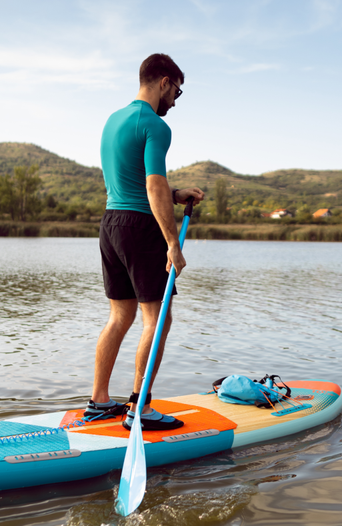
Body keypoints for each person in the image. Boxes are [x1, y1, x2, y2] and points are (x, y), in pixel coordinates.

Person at [86, 53, 204, 431]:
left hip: (111, 224)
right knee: (158, 318)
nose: (175, 101)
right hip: (140, 227)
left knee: (119, 316)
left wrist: (176, 192)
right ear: (165, 82)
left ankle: (99, 402)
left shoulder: (113, 120)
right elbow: (151, 184)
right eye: (177, 92)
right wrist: (172, 242)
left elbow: (134, 179)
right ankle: (140, 407)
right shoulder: (155, 125)